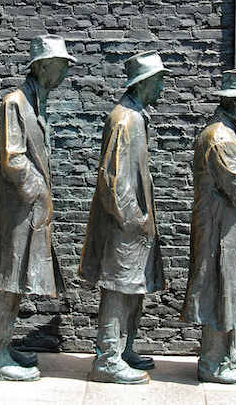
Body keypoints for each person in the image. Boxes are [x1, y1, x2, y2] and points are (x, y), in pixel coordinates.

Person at [0, 35, 76, 381]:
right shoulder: (15, 103)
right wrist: (40, 193)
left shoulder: (37, 102)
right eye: (61, 66)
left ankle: (1, 346)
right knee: (7, 282)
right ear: (44, 66)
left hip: (30, 213)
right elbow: (13, 158)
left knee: (17, 283)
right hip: (18, 212)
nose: (65, 74)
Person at [78, 51, 169, 385]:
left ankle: (124, 348)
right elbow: (113, 180)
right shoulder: (124, 119)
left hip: (134, 226)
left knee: (134, 288)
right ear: (143, 83)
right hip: (124, 226)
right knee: (117, 289)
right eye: (158, 80)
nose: (162, 87)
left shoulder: (135, 116)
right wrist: (133, 220)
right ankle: (107, 358)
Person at [182, 68, 236, 384]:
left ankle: (227, 353)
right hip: (218, 226)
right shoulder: (220, 137)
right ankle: (212, 363)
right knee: (219, 289)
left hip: (229, 224)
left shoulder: (232, 130)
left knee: (231, 287)